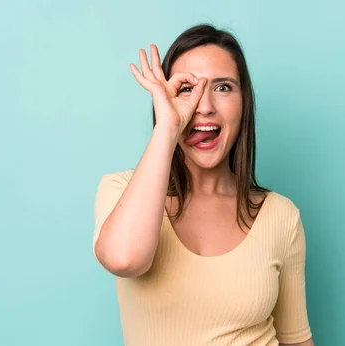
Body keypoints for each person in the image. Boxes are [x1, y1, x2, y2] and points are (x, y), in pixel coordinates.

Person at [92, 24, 315, 346]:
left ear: (244, 103)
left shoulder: (280, 215)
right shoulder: (120, 190)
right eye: (186, 89)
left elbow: (296, 340)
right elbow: (125, 260)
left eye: (223, 88)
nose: (204, 106)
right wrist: (168, 127)